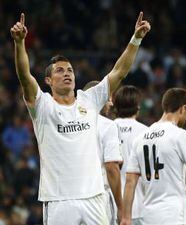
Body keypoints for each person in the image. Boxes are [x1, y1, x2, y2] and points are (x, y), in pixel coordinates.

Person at [10, 11, 150, 224]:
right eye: (60, 70)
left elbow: (119, 72)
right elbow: (24, 76)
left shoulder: (89, 100)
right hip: (59, 200)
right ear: (48, 80)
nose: (67, 73)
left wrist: (136, 39)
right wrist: (19, 44)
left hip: (94, 198)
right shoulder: (42, 105)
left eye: (70, 70)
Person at [121, 88, 186, 225]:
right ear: (183, 109)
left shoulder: (140, 138)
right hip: (174, 215)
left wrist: (126, 217)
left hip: (148, 216)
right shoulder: (180, 135)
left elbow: (130, 182)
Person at [83, 81, 123, 225]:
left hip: (70, 197)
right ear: (97, 98)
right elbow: (112, 167)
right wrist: (121, 206)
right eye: (108, 99)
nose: (110, 104)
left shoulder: (67, 123)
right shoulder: (107, 125)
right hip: (98, 198)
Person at [113, 85, 148, 225]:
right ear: (138, 107)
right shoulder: (147, 133)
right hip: (140, 206)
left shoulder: (105, 128)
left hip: (110, 207)